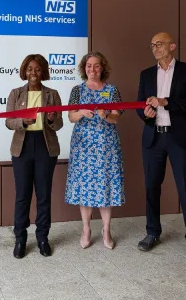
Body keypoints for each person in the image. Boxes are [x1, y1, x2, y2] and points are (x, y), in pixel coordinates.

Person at [136, 32, 186, 263]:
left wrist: (165, 102)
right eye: (152, 45)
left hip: (180, 139)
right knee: (151, 187)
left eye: (159, 44)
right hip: (154, 138)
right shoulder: (146, 74)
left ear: (173, 46)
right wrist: (146, 113)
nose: (155, 48)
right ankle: (152, 232)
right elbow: (140, 107)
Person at [65, 51, 124, 250]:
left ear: (102, 67)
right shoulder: (77, 90)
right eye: (89, 66)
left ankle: (106, 229)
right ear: (84, 69)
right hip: (83, 146)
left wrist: (105, 115)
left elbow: (117, 116)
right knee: (85, 186)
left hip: (106, 145)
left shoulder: (112, 90)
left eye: (96, 65)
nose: (92, 69)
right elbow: (70, 118)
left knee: (105, 184)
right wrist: (81, 112)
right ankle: (86, 228)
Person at [6, 54, 63, 259]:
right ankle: (20, 238)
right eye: (30, 69)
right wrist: (23, 121)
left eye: (37, 69)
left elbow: (59, 125)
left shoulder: (53, 94)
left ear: (43, 71)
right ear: (24, 70)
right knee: (22, 196)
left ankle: (42, 238)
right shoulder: (15, 93)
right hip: (22, 146)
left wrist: (51, 120)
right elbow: (8, 121)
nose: (33, 73)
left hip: (45, 147)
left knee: (43, 195)